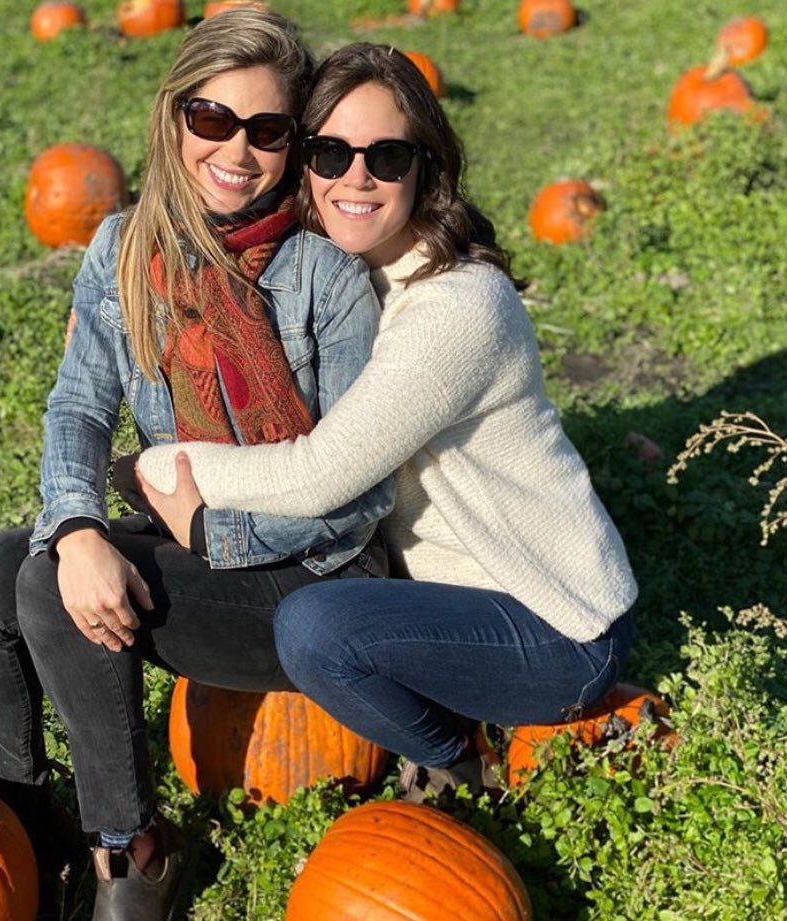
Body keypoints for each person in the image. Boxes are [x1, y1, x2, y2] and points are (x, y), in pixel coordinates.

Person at [0, 14, 393, 920]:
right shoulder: (123, 250)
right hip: (186, 531)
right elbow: (77, 405)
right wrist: (73, 524)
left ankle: (130, 847)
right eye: (212, 118)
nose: (237, 151)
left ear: (296, 144)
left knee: (45, 592)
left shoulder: (324, 275)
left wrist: (208, 530)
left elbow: (359, 490)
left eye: (268, 133)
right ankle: (21, 822)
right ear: (174, 117)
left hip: (316, 582)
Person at [135, 42, 639, 803]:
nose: (354, 178)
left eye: (386, 156)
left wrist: (165, 475)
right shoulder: (344, 278)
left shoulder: (455, 306)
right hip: (446, 599)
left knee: (317, 629)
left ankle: (461, 761)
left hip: (553, 628)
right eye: (330, 152)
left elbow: (320, 471)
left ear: (424, 168)